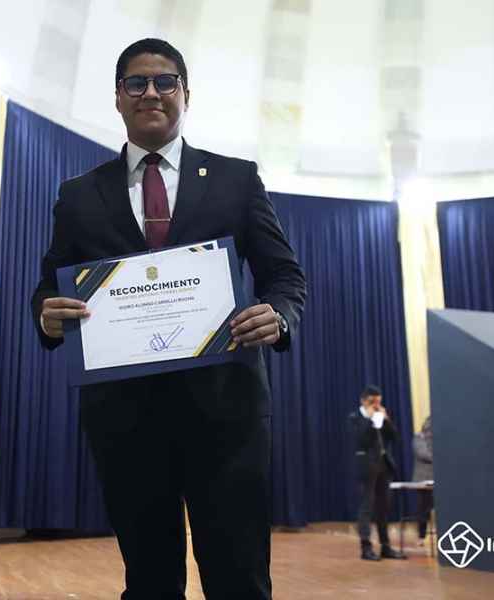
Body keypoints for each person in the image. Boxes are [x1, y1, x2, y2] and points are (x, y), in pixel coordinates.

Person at [31, 38, 306, 600]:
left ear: (185, 94)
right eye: (136, 83)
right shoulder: (78, 195)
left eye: (164, 81)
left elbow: (284, 276)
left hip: (227, 417)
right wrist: (46, 315)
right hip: (126, 420)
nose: (151, 92)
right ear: (118, 97)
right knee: (150, 582)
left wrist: (278, 315)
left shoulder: (236, 179)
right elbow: (49, 287)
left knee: (240, 581)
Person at [348, 385, 406, 561]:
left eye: (378, 402)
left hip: (383, 465)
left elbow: (394, 437)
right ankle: (366, 548)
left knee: (383, 507)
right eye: (372, 401)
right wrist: (370, 420)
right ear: (363, 401)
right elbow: (361, 440)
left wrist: (386, 419)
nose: (376, 405)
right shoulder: (355, 417)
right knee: (367, 506)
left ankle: (385, 546)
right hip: (367, 466)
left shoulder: (380, 415)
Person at [412, 416, 434, 546]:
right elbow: (423, 454)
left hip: (438, 479)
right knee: (423, 509)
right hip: (423, 480)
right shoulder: (419, 437)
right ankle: (421, 536)